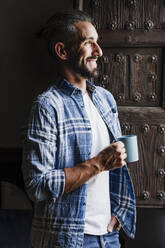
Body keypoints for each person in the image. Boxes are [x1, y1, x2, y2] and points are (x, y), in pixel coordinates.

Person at [22, 9, 136, 248]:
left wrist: (120, 212)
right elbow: (36, 185)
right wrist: (98, 163)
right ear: (62, 51)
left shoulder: (105, 99)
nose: (99, 51)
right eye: (89, 43)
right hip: (69, 240)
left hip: (109, 237)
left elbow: (119, 165)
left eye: (98, 43)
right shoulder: (47, 106)